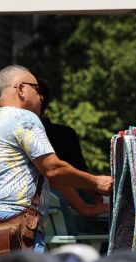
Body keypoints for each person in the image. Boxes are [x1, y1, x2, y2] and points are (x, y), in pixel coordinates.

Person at [0, 65, 113, 253]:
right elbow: (53, 169)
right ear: (21, 88)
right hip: (21, 227)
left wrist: (84, 207)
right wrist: (96, 182)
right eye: (36, 89)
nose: (41, 97)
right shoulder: (24, 118)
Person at [38, 79, 108, 217]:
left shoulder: (1, 130)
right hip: (61, 216)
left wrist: (94, 192)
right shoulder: (61, 134)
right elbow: (53, 173)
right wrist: (94, 189)